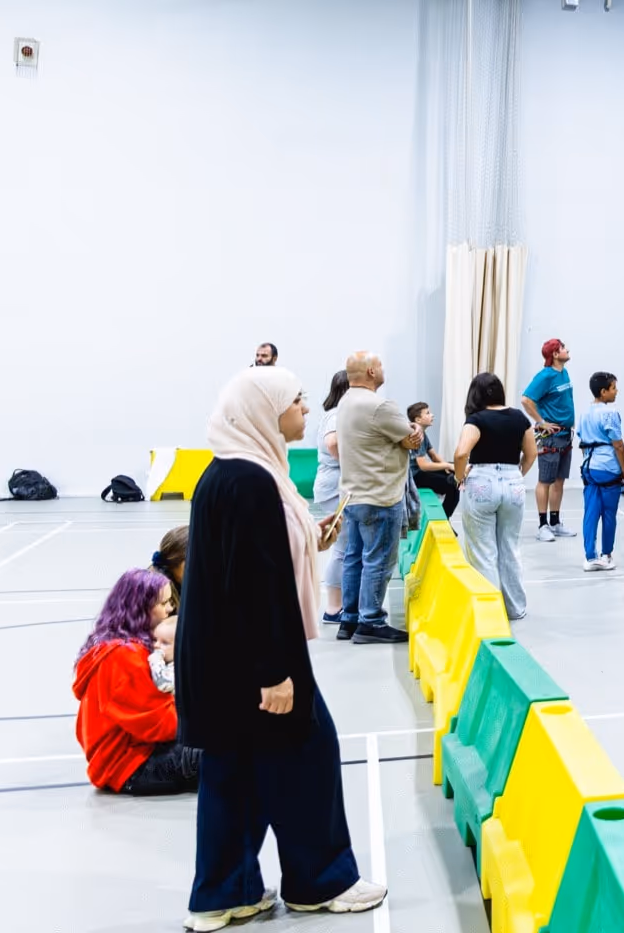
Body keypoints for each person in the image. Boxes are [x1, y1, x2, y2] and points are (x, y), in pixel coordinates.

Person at [177, 366, 384, 928]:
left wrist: (310, 537)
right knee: (307, 758)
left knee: (235, 774)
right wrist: (274, 674)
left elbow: (256, 557)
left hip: (225, 660)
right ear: (266, 412)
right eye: (296, 402)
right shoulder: (249, 482)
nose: (306, 410)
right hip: (253, 660)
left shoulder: (232, 473)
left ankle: (225, 893)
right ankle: (320, 881)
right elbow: (254, 583)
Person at [74, 567, 200, 796]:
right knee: (228, 754)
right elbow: (160, 725)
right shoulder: (125, 657)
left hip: (127, 758)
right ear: (141, 609)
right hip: (133, 766)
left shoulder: (110, 645)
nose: (170, 609)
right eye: (163, 604)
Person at [333, 351, 419, 644]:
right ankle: (371, 621)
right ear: (371, 372)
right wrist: (416, 430)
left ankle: (350, 618)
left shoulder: (345, 402)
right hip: (379, 496)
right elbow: (412, 438)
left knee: (354, 558)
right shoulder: (380, 406)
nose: (384, 369)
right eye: (380, 365)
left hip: (352, 495)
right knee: (379, 561)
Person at [452, 372, 537, 620]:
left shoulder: (476, 419)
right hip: (513, 482)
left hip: (482, 482)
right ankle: (515, 608)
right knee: (509, 547)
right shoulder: (520, 418)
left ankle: (490, 612)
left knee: (482, 550)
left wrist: (459, 478)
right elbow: (531, 454)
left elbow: (460, 454)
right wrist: (517, 472)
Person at [574, 372, 624, 571]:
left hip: (589, 469)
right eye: (614, 388)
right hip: (608, 469)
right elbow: (619, 446)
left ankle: (590, 557)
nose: (616, 391)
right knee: (609, 514)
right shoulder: (610, 413)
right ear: (603, 391)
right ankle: (606, 555)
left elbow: (582, 443)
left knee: (590, 513)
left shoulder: (584, 414)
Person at [521, 339, 575, 541]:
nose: (567, 350)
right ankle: (542, 525)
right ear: (554, 354)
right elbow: (526, 399)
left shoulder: (564, 373)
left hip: (565, 435)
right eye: (563, 348)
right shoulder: (545, 376)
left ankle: (555, 522)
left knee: (559, 481)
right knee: (545, 480)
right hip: (551, 438)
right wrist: (541, 422)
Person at [308, 371, 350, 622]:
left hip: (333, 484)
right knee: (342, 547)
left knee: (345, 546)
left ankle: (339, 604)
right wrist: (352, 464)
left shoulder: (333, 415)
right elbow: (333, 443)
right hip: (334, 486)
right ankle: (333, 608)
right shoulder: (336, 415)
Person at [406, 401, 461, 518]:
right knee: (452, 485)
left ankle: (444, 518)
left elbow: (434, 456)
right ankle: (443, 519)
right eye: (428, 413)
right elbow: (423, 465)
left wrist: (449, 467)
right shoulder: (415, 436)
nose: (432, 415)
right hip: (414, 477)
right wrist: (447, 466)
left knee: (453, 476)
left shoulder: (423, 434)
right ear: (418, 420)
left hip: (420, 473)